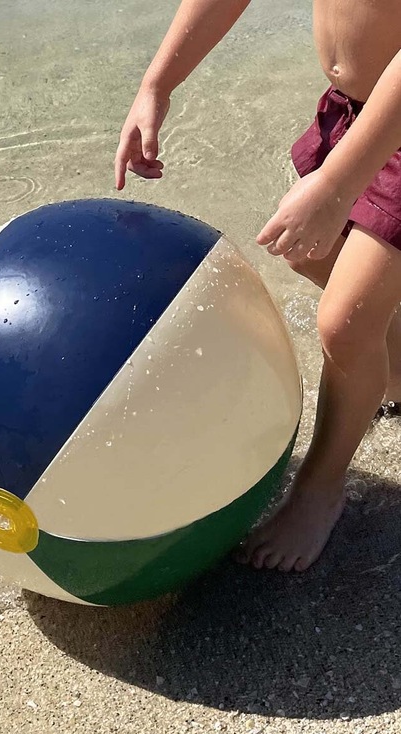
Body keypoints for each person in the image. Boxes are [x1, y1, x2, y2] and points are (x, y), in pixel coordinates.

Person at [114, 0, 401, 573]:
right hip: (358, 112)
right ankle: (396, 372)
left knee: (345, 322)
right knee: (310, 256)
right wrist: (157, 85)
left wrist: (336, 184)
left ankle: (320, 489)